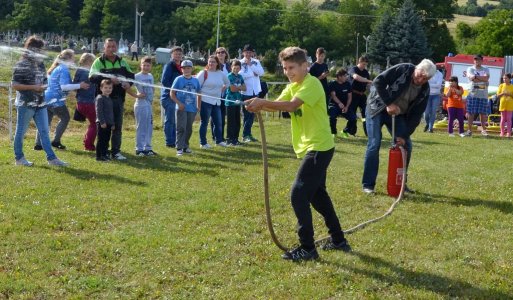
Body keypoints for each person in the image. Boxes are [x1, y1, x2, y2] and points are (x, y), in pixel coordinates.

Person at [245, 46, 351, 262]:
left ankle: (307, 248)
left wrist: (262, 103)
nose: (288, 72)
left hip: (319, 147)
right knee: (318, 196)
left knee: (298, 194)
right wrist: (258, 105)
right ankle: (339, 240)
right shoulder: (293, 85)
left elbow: (292, 106)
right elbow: (279, 106)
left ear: (305, 66)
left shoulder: (311, 84)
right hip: (313, 147)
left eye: (292, 67)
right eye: (284, 68)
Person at [362, 59, 436, 194]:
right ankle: (368, 184)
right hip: (376, 107)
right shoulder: (403, 69)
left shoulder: (425, 90)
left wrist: (404, 135)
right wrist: (389, 103)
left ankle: (401, 183)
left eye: (425, 79)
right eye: (420, 75)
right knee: (374, 143)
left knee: (406, 145)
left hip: (397, 114)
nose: (420, 80)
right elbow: (378, 81)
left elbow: (416, 116)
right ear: (416, 68)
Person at [12, 35, 68, 167]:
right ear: (33, 49)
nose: (43, 52)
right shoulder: (22, 64)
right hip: (26, 104)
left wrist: (45, 86)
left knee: (44, 131)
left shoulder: (41, 64)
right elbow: (14, 85)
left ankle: (52, 158)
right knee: (20, 132)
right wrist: (34, 87)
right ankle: (19, 158)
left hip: (41, 102)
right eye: (40, 49)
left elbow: (44, 80)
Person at [34, 49, 89, 151]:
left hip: (47, 98)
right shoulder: (63, 69)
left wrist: (74, 85)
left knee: (45, 122)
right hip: (56, 100)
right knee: (65, 118)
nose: (74, 60)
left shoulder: (56, 68)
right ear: (67, 59)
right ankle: (56, 141)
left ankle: (38, 144)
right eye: (73, 58)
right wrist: (80, 85)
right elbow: (63, 87)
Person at [89, 38, 134, 160]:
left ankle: (116, 152)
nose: (111, 49)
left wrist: (128, 84)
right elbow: (92, 77)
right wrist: (109, 80)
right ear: (104, 47)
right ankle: (103, 152)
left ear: (117, 48)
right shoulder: (98, 62)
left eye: (113, 46)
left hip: (118, 99)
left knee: (117, 127)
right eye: (109, 46)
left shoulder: (122, 62)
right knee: (104, 127)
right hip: (103, 100)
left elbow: (131, 76)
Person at [196, 55, 230, 148]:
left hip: (217, 102)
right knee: (204, 122)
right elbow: (196, 86)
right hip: (205, 101)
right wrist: (198, 101)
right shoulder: (203, 73)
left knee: (218, 123)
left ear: (217, 63)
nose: (211, 63)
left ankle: (218, 140)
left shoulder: (221, 73)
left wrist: (223, 89)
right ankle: (203, 143)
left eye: (213, 62)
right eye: (210, 61)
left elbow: (227, 83)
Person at [171, 60, 201, 156]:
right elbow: (172, 93)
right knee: (181, 128)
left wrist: (198, 107)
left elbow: (199, 94)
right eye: (184, 68)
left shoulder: (196, 80)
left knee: (189, 128)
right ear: (182, 69)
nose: (187, 70)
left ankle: (185, 146)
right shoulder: (178, 79)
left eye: (188, 68)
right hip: (181, 108)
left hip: (192, 108)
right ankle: (179, 148)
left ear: (191, 69)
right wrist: (178, 103)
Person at [240, 44, 264, 143]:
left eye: (250, 52)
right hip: (246, 91)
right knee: (247, 114)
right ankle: (245, 135)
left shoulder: (256, 62)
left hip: (255, 91)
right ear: (243, 53)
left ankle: (248, 134)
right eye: (247, 52)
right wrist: (252, 74)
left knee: (252, 114)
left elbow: (261, 72)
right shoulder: (240, 62)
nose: (248, 54)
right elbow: (240, 75)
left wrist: (251, 66)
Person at [74, 53, 98, 151]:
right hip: (89, 103)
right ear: (89, 61)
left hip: (80, 102)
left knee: (92, 123)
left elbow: (75, 85)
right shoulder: (90, 72)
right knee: (95, 123)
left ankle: (87, 141)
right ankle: (89, 145)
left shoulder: (78, 70)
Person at [160, 46, 183, 148]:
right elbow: (165, 81)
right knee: (170, 120)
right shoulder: (169, 65)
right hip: (169, 96)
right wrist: (173, 91)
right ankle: (169, 141)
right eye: (176, 54)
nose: (177, 56)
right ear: (171, 55)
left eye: (179, 54)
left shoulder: (181, 66)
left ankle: (174, 140)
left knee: (174, 120)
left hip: (177, 97)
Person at [134, 56, 157, 156]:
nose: (146, 67)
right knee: (141, 127)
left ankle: (147, 148)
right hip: (140, 105)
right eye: (144, 65)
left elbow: (152, 88)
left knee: (149, 127)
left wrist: (152, 98)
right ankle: (139, 149)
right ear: (141, 65)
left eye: (148, 65)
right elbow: (126, 87)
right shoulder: (136, 76)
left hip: (148, 104)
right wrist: (136, 95)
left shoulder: (150, 76)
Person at [466, 54, 490, 136]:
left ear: (482, 60)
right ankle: (469, 130)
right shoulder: (470, 68)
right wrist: (481, 79)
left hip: (483, 94)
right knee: (470, 112)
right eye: (475, 59)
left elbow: (486, 78)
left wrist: (476, 77)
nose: (476, 61)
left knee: (483, 113)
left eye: (478, 59)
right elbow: (471, 78)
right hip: (472, 94)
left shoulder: (486, 69)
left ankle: (483, 130)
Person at [328, 68, 356, 137]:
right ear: (339, 77)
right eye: (344, 76)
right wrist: (339, 103)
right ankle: (333, 132)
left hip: (345, 105)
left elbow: (350, 97)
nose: (346, 77)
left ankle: (345, 131)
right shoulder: (333, 84)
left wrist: (346, 106)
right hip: (335, 104)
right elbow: (333, 96)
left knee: (353, 118)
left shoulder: (347, 84)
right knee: (332, 117)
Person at [349, 56, 372, 136]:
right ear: (359, 62)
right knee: (353, 114)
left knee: (365, 114)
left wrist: (371, 92)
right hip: (353, 95)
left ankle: (367, 133)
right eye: (363, 64)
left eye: (366, 64)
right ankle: (352, 132)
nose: (364, 66)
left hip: (362, 96)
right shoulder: (354, 69)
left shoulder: (366, 72)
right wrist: (367, 80)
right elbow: (356, 77)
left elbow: (368, 85)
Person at [225, 60, 246, 146]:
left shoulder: (240, 76)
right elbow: (232, 89)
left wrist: (238, 87)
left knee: (237, 121)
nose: (236, 69)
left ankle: (236, 139)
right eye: (234, 67)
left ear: (240, 68)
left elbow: (245, 88)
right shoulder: (229, 76)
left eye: (238, 68)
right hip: (230, 102)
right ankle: (230, 139)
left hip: (238, 101)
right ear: (231, 67)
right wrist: (239, 87)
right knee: (231, 122)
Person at [213, 46, 231, 142]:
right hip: (216, 94)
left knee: (223, 116)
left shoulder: (228, 66)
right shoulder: (213, 64)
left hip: (226, 94)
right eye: (218, 52)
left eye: (222, 52)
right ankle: (214, 136)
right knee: (215, 116)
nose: (220, 54)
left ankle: (221, 136)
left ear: (225, 54)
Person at [95, 79, 115, 161]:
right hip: (102, 123)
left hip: (109, 123)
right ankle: (99, 156)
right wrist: (102, 122)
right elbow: (99, 111)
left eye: (110, 88)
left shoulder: (109, 99)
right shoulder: (100, 98)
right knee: (101, 140)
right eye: (106, 88)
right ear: (101, 88)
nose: (108, 90)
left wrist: (113, 123)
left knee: (106, 140)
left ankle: (105, 154)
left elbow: (111, 113)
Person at [424, 66, 444, 133]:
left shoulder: (440, 74)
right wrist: (434, 84)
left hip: (436, 95)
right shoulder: (427, 73)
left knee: (433, 112)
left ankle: (430, 128)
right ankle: (427, 123)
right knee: (426, 113)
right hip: (427, 95)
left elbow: (438, 85)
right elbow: (426, 83)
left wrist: (430, 84)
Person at [496, 73, 513, 137]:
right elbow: (498, 95)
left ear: (510, 79)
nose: (504, 79)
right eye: (503, 78)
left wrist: (509, 94)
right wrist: (503, 93)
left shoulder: (512, 86)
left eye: (506, 78)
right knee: (502, 119)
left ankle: (508, 132)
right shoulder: (501, 85)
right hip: (502, 104)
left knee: (509, 119)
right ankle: (502, 132)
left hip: (510, 105)